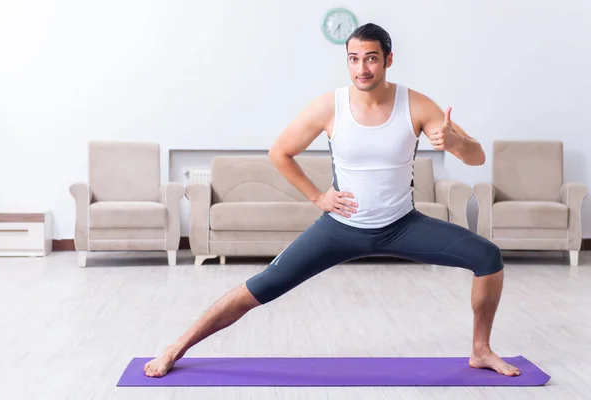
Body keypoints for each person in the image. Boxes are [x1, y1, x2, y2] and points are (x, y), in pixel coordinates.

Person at [144, 23, 521, 378]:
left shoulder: (417, 105)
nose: (362, 67)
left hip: (402, 227)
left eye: (371, 57)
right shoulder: (330, 106)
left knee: (487, 257)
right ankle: (177, 347)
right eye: (354, 59)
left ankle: (481, 349)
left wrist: (456, 143)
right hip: (341, 228)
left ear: (388, 59)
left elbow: (476, 158)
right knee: (262, 285)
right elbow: (280, 152)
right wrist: (317, 196)